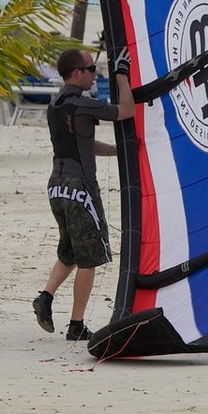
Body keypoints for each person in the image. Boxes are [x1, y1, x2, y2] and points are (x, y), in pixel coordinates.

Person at [32, 47, 135, 343]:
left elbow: (83, 144)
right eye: (91, 69)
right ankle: (76, 325)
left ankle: (46, 297)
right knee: (89, 258)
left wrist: (118, 151)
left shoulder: (56, 105)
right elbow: (127, 110)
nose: (95, 73)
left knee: (70, 251)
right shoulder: (83, 103)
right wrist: (122, 76)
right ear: (76, 73)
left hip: (56, 187)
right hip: (80, 189)